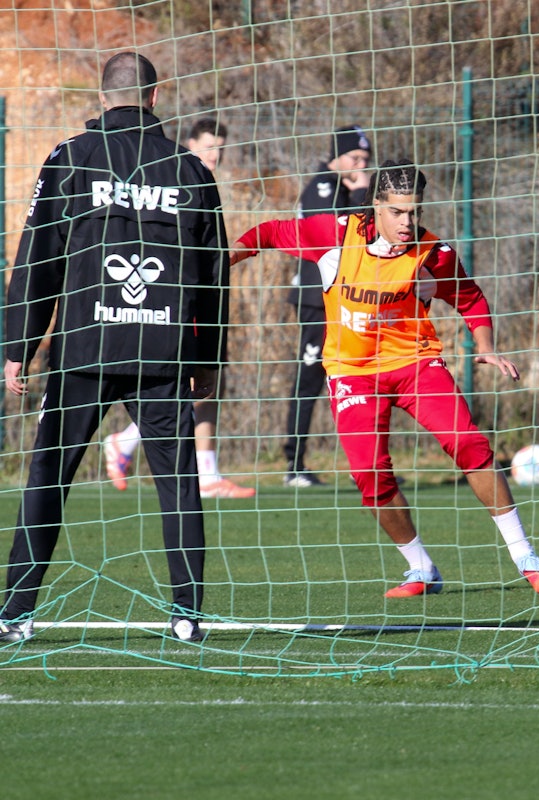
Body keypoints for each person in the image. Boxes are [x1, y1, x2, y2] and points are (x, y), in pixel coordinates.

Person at [230, 159, 539, 598]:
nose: (408, 222)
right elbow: (267, 233)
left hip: (415, 365)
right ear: (376, 206)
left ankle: (526, 557)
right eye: (398, 212)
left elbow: (472, 298)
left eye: (415, 212)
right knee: (369, 473)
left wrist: (485, 347)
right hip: (352, 374)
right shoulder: (335, 234)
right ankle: (421, 569)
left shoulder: (432, 251)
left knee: (468, 442)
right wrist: (223, 260)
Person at [0, 52, 228, 644]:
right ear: (155, 98)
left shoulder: (69, 158)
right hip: (163, 351)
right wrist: (208, 361)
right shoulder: (189, 169)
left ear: (104, 98)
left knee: (49, 476)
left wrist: (17, 347)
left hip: (84, 350)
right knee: (177, 481)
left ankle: (15, 614)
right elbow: (213, 275)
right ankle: (186, 615)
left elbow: (38, 258)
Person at [104, 117, 255, 499]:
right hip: (171, 301)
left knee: (204, 383)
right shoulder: (175, 176)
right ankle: (132, 444)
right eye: (208, 145)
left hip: (195, 296)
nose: (215, 155)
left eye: (220, 147)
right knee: (185, 383)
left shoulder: (203, 180)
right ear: (189, 143)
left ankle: (202, 470)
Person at [283, 124, 374, 488]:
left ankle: (367, 465)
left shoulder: (343, 186)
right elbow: (343, 236)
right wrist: (363, 194)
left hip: (347, 298)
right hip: (316, 299)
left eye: (365, 160)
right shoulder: (323, 186)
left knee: (357, 378)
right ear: (336, 156)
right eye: (354, 158)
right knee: (310, 379)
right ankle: (294, 465)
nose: (359, 166)